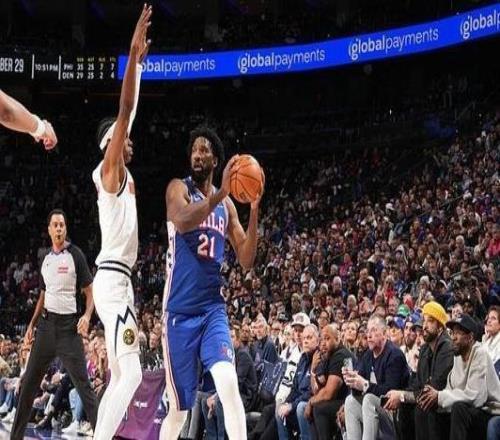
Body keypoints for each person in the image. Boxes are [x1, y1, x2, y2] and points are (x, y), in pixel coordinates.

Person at [161, 124, 264, 440]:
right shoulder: (178, 188)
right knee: (179, 411)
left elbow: (246, 259)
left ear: (215, 160)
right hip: (179, 313)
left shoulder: (227, 206)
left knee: (228, 383)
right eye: (194, 150)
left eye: (204, 150)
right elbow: (182, 220)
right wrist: (221, 193)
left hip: (211, 310)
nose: (197, 155)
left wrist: (254, 208)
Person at [91, 6, 151, 440]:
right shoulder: (108, 172)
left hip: (119, 282)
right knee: (130, 374)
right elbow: (126, 107)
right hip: (112, 282)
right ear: (110, 143)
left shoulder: (123, 174)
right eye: (121, 135)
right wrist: (132, 57)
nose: (128, 138)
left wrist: (140, 68)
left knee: (120, 376)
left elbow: (130, 111)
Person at [10, 209, 97, 440]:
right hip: (46, 328)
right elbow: (43, 294)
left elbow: (90, 291)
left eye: (62, 225)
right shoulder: (46, 260)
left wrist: (87, 315)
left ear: (65, 229)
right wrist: (31, 325)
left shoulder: (76, 255)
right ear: (49, 230)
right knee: (28, 385)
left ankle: (103, 434)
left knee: (84, 387)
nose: (59, 228)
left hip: (69, 329)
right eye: (55, 225)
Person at [418, 313, 500, 440]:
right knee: (432, 407)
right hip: (470, 410)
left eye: (458, 333)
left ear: (470, 337)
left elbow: (476, 397)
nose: (453, 337)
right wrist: (435, 397)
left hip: (489, 411)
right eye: (452, 333)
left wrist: (440, 396)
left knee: (458, 408)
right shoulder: (458, 356)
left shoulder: (480, 354)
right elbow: (450, 389)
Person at [384, 301, 454, 440]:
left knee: (422, 408)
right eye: (424, 321)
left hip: (446, 403)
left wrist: (403, 395)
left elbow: (435, 387)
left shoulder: (447, 348)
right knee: (404, 407)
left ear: (440, 327)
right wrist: (400, 395)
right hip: (430, 401)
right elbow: (418, 383)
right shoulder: (425, 349)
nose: (424, 326)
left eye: (430, 321)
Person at [343, 314, 409, 440]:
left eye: (373, 330)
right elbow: (358, 390)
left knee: (369, 399)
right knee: (350, 401)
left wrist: (365, 385)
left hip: (396, 415)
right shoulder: (368, 355)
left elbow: (389, 393)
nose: (369, 335)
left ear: (384, 333)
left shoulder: (395, 355)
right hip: (376, 413)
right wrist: (352, 381)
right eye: (368, 331)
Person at [307, 324, 355, 440]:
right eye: (321, 339)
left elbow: (329, 393)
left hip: (350, 401)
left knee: (319, 408)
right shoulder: (328, 356)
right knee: (314, 406)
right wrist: (313, 370)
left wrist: (311, 402)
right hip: (340, 401)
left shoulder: (340, 355)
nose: (323, 343)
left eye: (327, 339)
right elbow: (316, 390)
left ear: (337, 339)